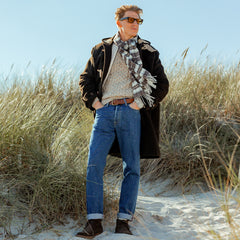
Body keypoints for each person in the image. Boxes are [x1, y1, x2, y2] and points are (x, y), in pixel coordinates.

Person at [77, 5, 169, 238]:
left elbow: (162, 84)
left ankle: (123, 221)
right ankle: (94, 222)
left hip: (131, 111)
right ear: (119, 22)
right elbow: (85, 79)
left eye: (139, 20)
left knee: (132, 168)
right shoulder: (102, 49)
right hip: (105, 112)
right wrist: (95, 104)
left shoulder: (147, 51)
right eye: (130, 20)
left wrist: (138, 104)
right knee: (94, 166)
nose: (135, 24)